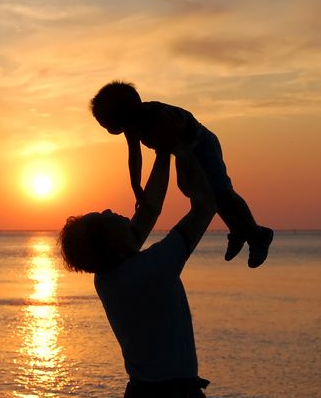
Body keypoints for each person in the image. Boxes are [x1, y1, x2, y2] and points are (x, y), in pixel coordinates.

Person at [59, 150, 215, 398]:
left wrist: (162, 153)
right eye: (106, 217)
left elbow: (151, 207)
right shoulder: (153, 267)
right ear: (112, 243)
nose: (114, 211)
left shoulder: (109, 276)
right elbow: (205, 208)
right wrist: (190, 153)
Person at [90, 80, 274, 268]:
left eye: (107, 124)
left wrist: (185, 168)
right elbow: (134, 155)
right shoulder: (133, 127)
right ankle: (237, 230)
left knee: (221, 191)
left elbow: (177, 146)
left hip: (200, 144)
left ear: (122, 117)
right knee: (194, 189)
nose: (109, 129)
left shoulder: (156, 118)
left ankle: (257, 234)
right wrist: (136, 186)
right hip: (183, 150)